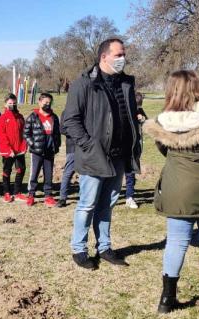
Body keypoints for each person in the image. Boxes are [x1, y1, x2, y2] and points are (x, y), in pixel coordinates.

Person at [143, 70, 199, 318]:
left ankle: (167, 298)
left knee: (176, 241)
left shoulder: (162, 122)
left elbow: (165, 151)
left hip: (177, 188)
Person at [61, 38, 141, 270]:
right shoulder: (84, 84)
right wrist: (87, 145)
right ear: (104, 56)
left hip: (118, 155)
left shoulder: (126, 83)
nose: (123, 59)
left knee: (108, 204)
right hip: (94, 156)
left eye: (123, 54)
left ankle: (104, 247)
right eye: (118, 55)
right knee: (87, 204)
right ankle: (79, 249)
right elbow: (70, 121)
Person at [24, 93, 61, 207]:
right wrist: (33, 144)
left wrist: (57, 145)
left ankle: (48, 196)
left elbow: (57, 133)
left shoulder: (54, 117)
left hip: (50, 150)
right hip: (37, 150)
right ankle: (31, 195)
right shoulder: (33, 116)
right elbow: (26, 133)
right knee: (34, 173)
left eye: (49, 103)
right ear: (39, 102)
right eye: (45, 102)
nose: (47, 104)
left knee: (48, 173)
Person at [0, 94, 28, 203]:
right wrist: (8, 149)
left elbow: (24, 132)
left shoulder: (20, 117)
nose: (12, 105)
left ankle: (17, 192)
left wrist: (24, 146)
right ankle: (6, 192)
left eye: (14, 103)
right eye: (10, 103)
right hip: (8, 150)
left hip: (19, 149)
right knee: (7, 170)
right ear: (5, 104)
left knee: (21, 169)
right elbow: (1, 135)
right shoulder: (2, 118)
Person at [124, 92, 148, 209]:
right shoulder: (124, 110)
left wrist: (142, 119)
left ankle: (129, 197)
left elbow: (147, 122)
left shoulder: (140, 111)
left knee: (131, 172)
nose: (138, 109)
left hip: (134, 147)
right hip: (123, 145)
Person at [57, 124, 76, 208]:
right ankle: (62, 198)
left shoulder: (89, 111)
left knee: (86, 173)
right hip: (73, 148)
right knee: (68, 173)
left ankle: (87, 196)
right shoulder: (69, 111)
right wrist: (79, 134)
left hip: (87, 148)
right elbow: (62, 129)